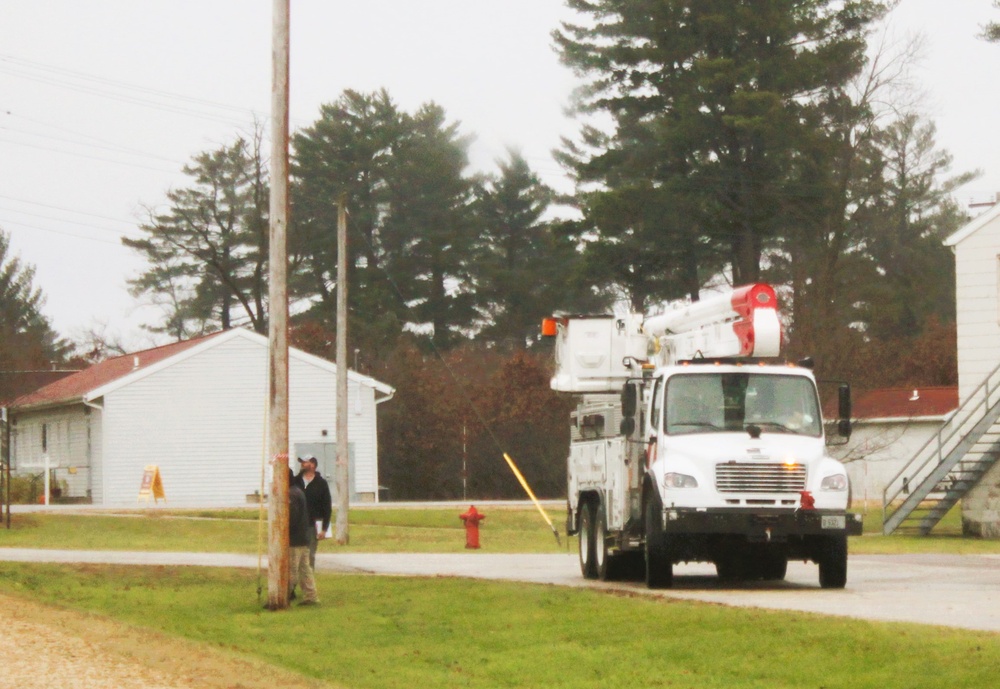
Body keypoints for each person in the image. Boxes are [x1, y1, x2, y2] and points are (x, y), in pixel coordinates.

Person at [293, 454, 333, 569]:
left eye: (305, 462)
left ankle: (308, 582)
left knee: (310, 554)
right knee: (296, 555)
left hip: (312, 525)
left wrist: (324, 529)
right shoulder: (296, 481)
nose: (302, 464)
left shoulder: (321, 484)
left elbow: (327, 507)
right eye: (301, 462)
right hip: (297, 526)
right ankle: (295, 581)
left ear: (312, 465)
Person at [288, 469, 319, 606]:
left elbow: (292, 518)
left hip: (294, 539)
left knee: (291, 570)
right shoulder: (298, 491)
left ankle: (281, 596)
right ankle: (311, 596)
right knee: (305, 569)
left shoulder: (290, 494)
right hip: (303, 538)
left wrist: (284, 531)